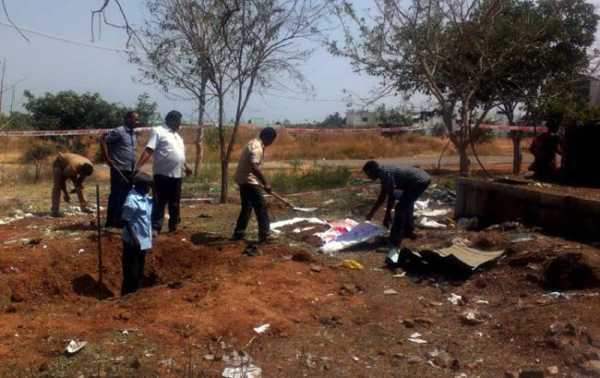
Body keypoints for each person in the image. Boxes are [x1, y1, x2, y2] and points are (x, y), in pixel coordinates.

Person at [363, 161, 431, 267]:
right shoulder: (383, 171)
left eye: (368, 174)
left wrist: (387, 215)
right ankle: (409, 231)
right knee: (406, 202)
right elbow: (385, 195)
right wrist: (372, 213)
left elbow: (389, 196)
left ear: (371, 171)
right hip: (416, 180)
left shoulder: (384, 174)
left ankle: (395, 243)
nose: (368, 177)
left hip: (419, 182)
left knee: (400, 209)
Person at [135, 110, 191, 233]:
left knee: (175, 203)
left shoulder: (177, 136)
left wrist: (186, 167)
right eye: (178, 122)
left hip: (177, 175)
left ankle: (173, 226)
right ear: (171, 120)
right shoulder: (158, 131)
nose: (179, 125)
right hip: (162, 174)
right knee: (159, 201)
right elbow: (149, 150)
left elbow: (180, 155)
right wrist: (138, 166)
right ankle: (156, 227)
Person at [231, 127, 278, 243]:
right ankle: (265, 235)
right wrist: (265, 183)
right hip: (248, 181)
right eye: (272, 140)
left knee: (246, 207)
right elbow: (254, 166)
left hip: (243, 179)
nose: (271, 143)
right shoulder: (257, 147)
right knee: (261, 206)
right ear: (268, 138)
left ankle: (239, 233)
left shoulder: (254, 142)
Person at [101, 111, 140, 228]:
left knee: (126, 195)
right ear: (127, 119)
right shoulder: (119, 131)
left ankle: (120, 220)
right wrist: (107, 158)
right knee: (116, 195)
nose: (137, 122)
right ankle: (110, 221)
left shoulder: (133, 134)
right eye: (135, 119)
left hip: (130, 169)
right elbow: (103, 139)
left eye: (137, 120)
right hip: (119, 168)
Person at [121, 172, 153, 296]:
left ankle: (136, 294)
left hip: (143, 239)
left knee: (139, 269)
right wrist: (134, 237)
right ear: (139, 185)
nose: (149, 188)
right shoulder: (132, 199)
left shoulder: (145, 197)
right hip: (133, 241)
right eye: (147, 185)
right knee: (131, 271)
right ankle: (127, 295)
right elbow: (125, 220)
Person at [51, 152, 94, 217]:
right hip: (59, 163)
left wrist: (78, 185)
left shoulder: (89, 165)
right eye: (82, 174)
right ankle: (55, 211)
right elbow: (61, 182)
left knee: (79, 187)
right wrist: (66, 194)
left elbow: (80, 181)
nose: (82, 176)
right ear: (80, 170)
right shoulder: (72, 168)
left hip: (70, 163)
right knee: (57, 186)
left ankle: (84, 207)